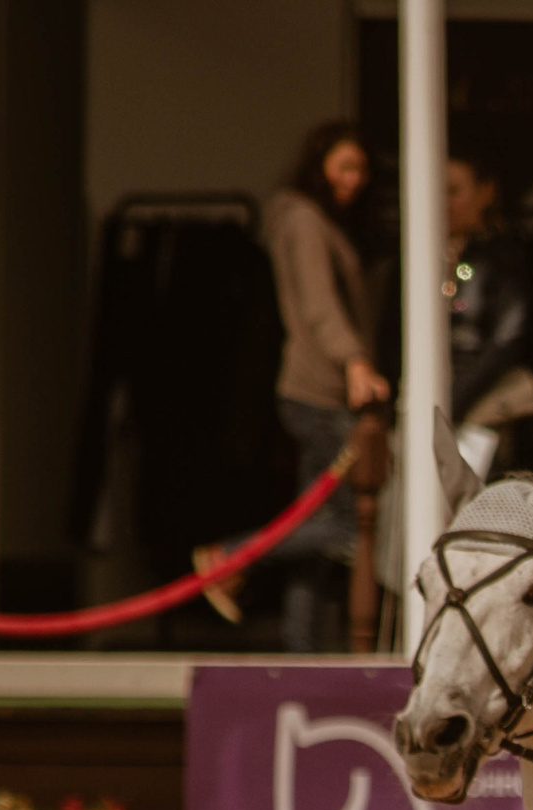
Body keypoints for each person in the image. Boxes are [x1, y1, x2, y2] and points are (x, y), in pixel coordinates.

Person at [197, 120, 388, 650]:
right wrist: (353, 361)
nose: (355, 180)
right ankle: (232, 554)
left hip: (314, 387)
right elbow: (317, 302)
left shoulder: (312, 220)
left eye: (362, 170)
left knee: (317, 526)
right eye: (346, 167)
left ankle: (301, 647)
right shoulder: (303, 220)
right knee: (349, 528)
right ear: (318, 164)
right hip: (320, 390)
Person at [445, 152, 533, 466]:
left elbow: (508, 339)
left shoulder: (506, 255)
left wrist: (453, 399)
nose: (444, 203)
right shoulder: (420, 255)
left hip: (488, 410)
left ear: (485, 192)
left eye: (454, 191)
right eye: (436, 191)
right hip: (430, 404)